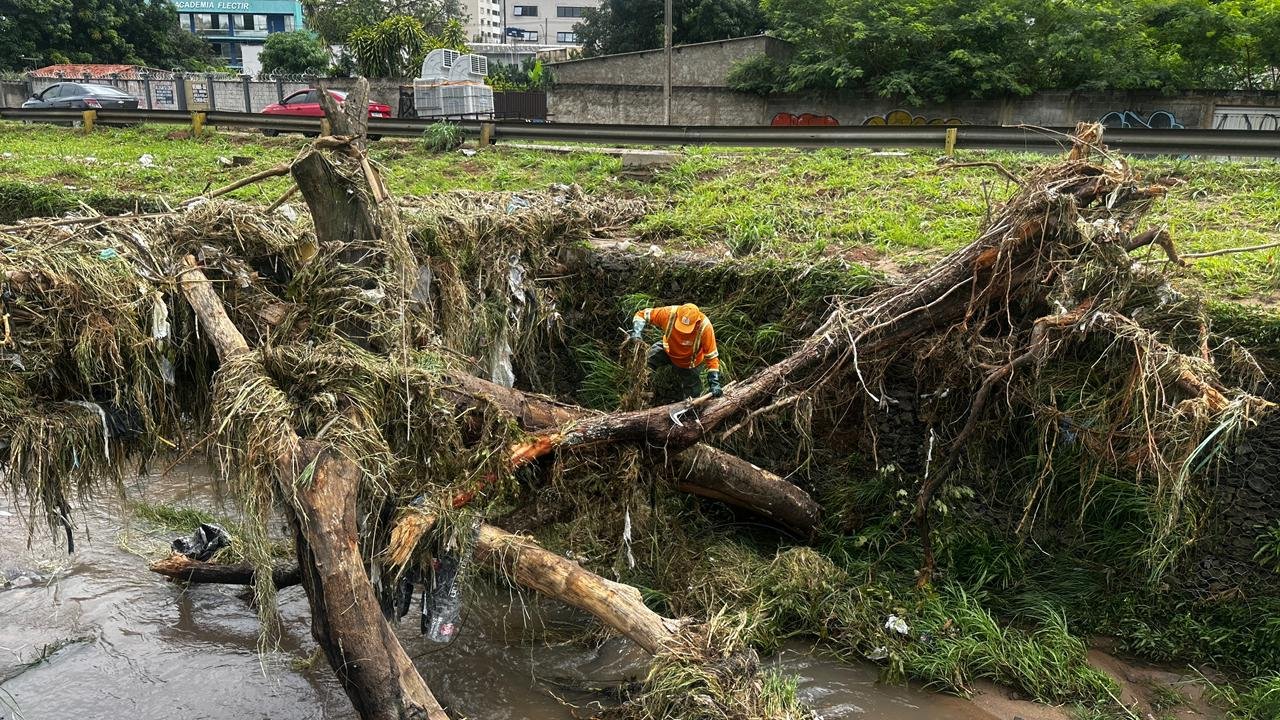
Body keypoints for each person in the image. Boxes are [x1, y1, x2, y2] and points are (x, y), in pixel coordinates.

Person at [629, 302, 723, 399]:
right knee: (646, 360)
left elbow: (712, 357)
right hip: (668, 349)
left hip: (689, 362)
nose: (682, 331)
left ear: (696, 322)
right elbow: (641, 314)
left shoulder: (705, 327)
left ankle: (689, 409)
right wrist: (636, 332)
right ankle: (640, 391)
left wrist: (714, 383)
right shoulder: (668, 313)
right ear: (678, 315)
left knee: (692, 395)